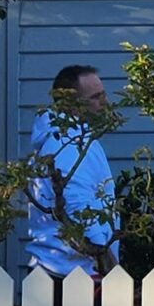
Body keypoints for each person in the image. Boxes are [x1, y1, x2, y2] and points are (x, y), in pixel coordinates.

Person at [27, 62, 119, 279]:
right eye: (96, 97)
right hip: (76, 273)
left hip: (67, 268)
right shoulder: (68, 146)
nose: (105, 104)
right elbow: (79, 206)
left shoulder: (73, 139)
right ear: (72, 107)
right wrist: (108, 265)